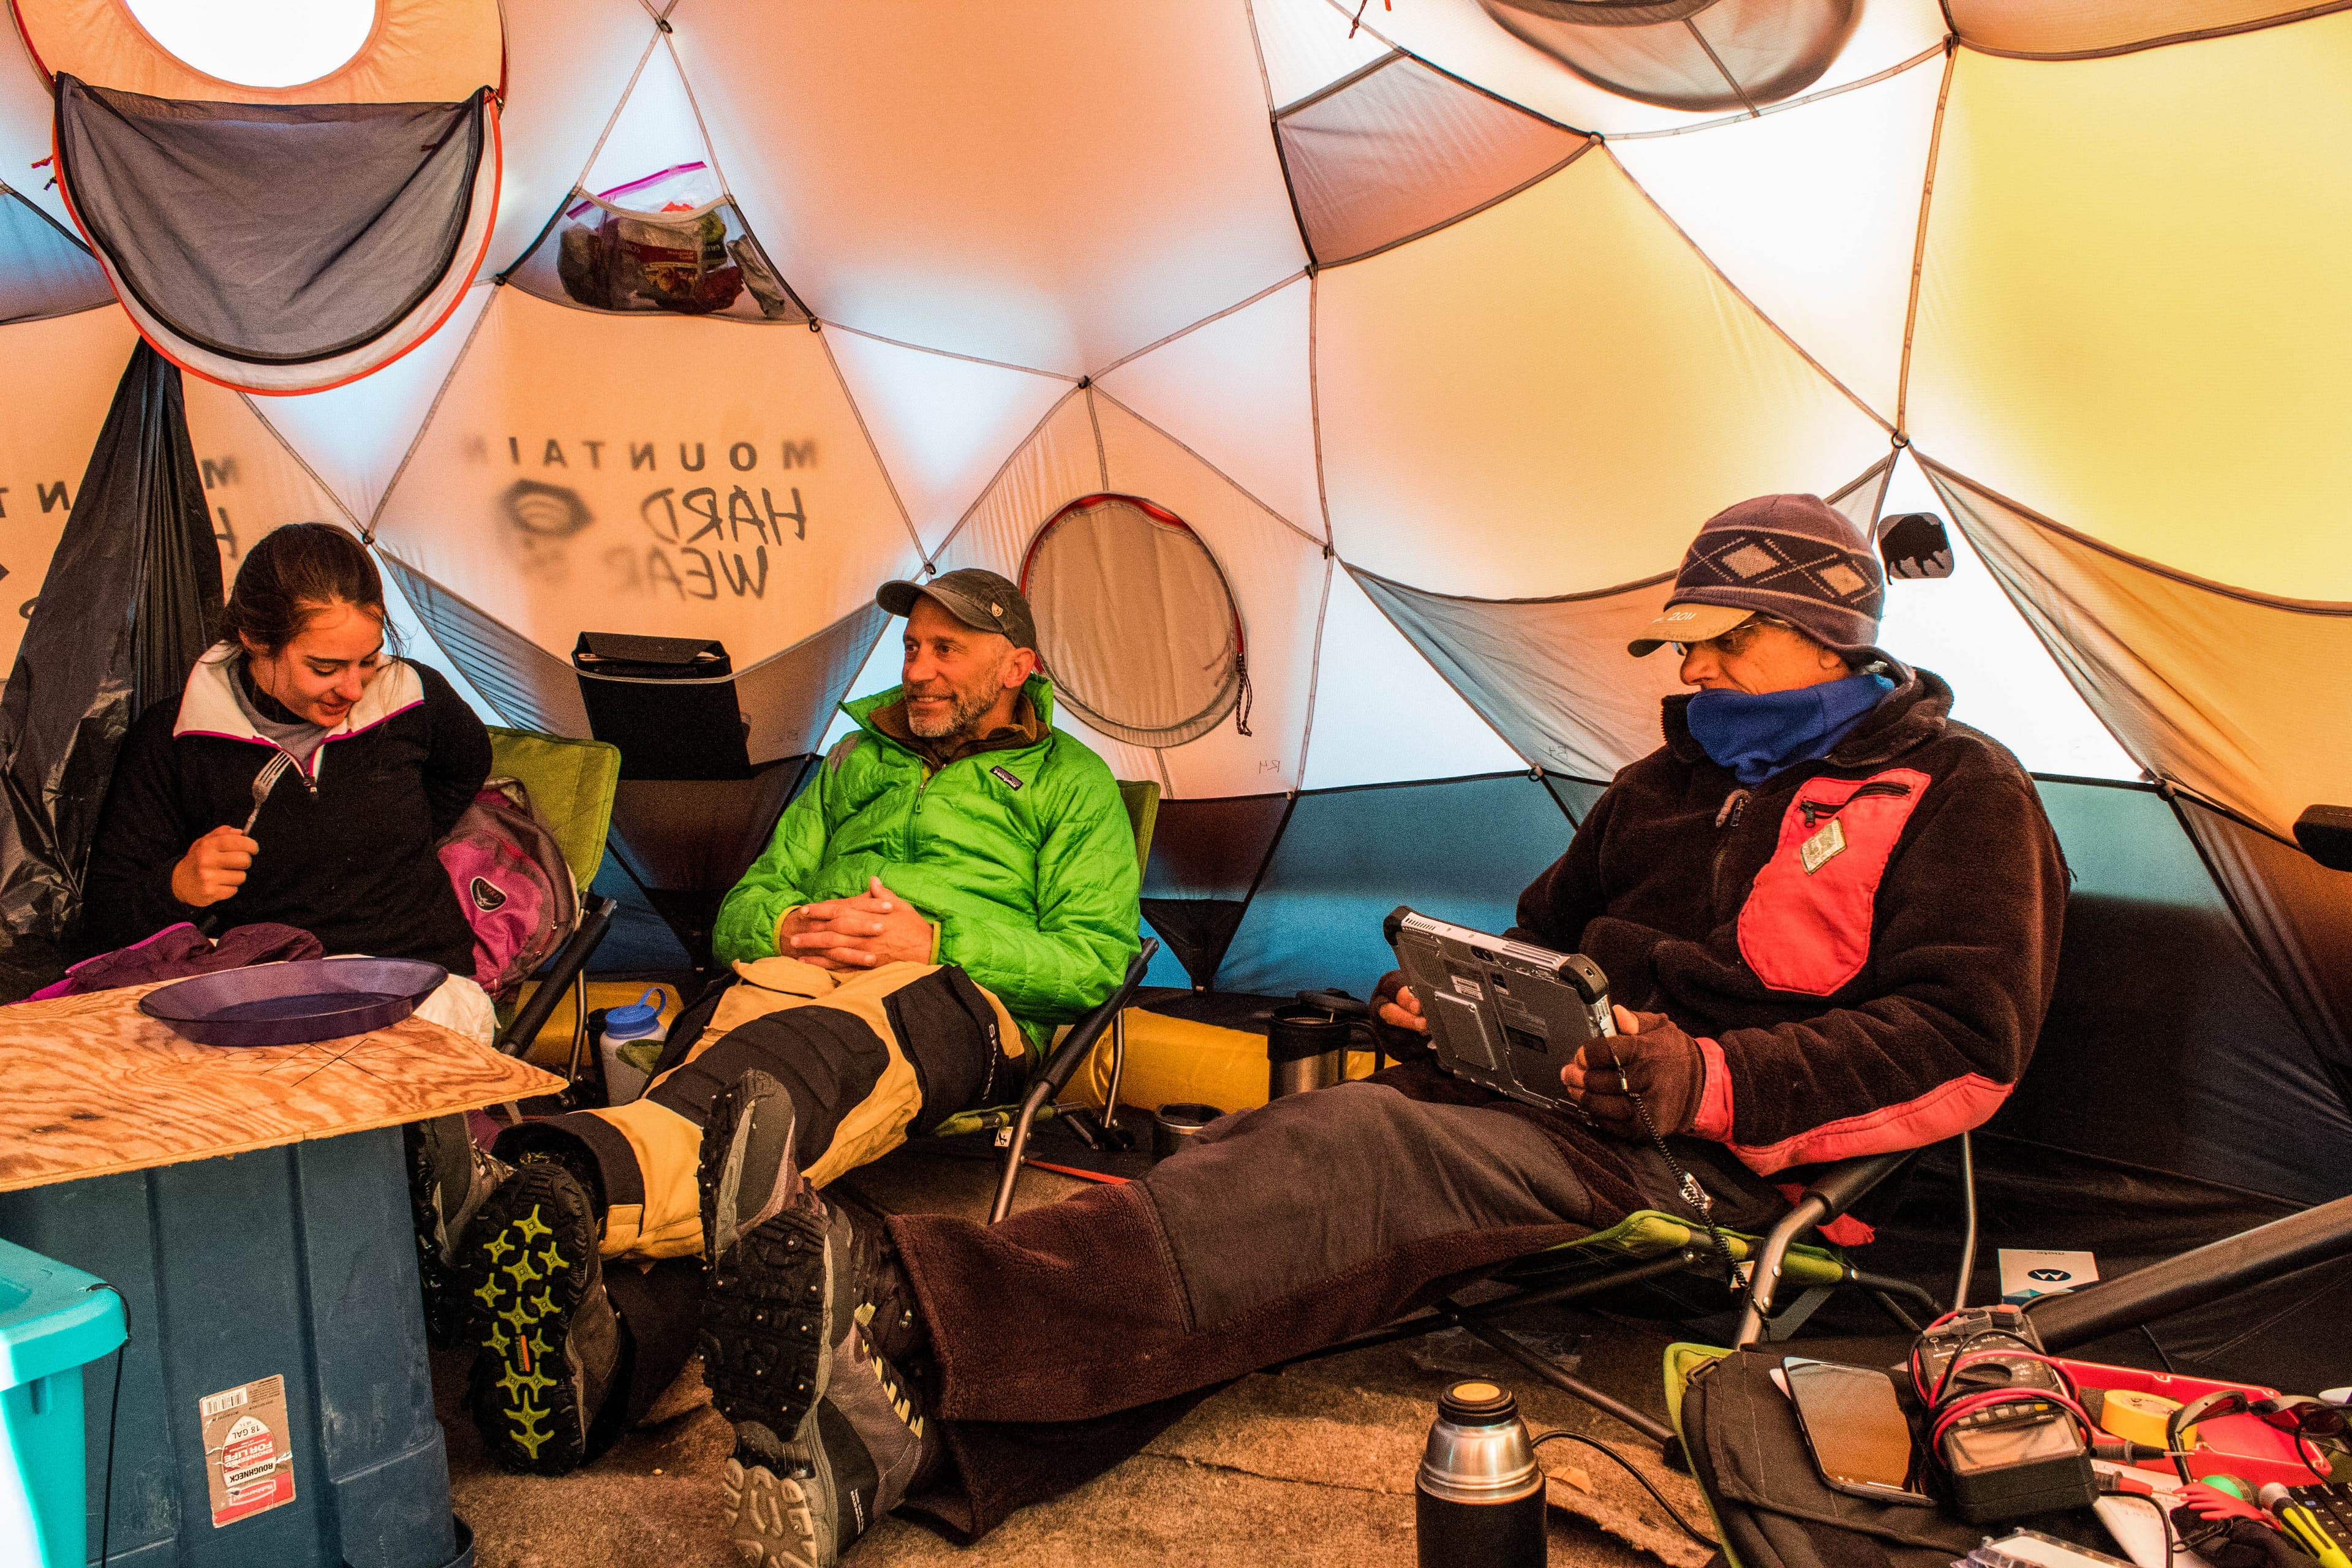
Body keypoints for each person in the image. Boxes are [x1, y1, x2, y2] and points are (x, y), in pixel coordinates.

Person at [687, 493, 2070, 1567]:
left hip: (1709, 1145)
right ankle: (904, 1445)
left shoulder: (1953, 790)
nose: (1692, 667)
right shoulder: (1670, 774)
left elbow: (1964, 1039)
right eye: (1684, 644)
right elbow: (1548, 923)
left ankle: (898, 1303)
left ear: (1830, 633)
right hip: (1551, 1086)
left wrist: (1704, 1075)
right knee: (1281, 1188)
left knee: (1348, 1162)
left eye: (1725, 641)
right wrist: (1464, 994)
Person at [410, 568, 1144, 1479]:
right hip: (794, 973)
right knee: (733, 1133)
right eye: (913, 647)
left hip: (948, 999)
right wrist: (787, 926)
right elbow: (741, 911)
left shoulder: (1073, 785)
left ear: (1017, 665)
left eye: (946, 649)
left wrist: (938, 936)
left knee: (775, 1087)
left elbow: (1093, 961)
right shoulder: (853, 759)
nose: (918, 669)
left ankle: (552, 1178)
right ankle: (600, 1373)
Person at [86, 522, 495, 1039]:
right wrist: (180, 885)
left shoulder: (414, 698)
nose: (351, 688)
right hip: (265, 992)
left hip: (419, 983)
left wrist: (402, 839)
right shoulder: (175, 738)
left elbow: (464, 768)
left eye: (368, 661)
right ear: (254, 638)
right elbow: (106, 914)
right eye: (324, 667)